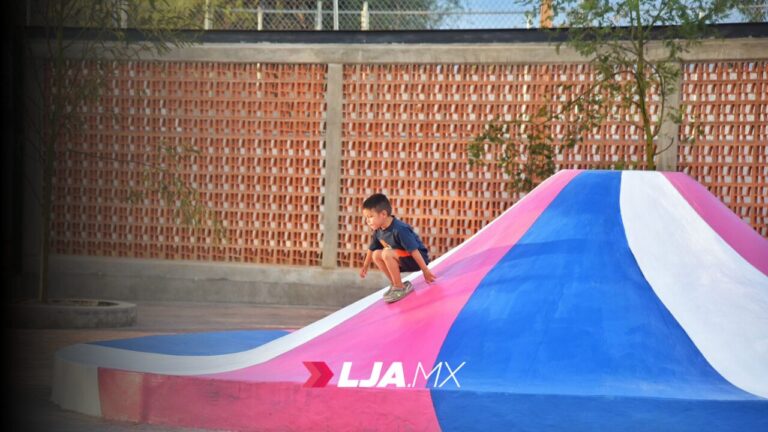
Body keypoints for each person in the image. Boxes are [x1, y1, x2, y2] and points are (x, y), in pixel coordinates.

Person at [358, 193, 437, 303]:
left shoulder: (400, 229)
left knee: (386, 253)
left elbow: (414, 250)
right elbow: (371, 249)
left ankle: (400, 287)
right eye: (366, 218)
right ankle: (395, 284)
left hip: (416, 259)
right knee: (376, 254)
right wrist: (365, 266)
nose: (367, 221)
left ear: (383, 214)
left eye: (370, 217)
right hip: (401, 259)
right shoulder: (378, 231)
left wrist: (425, 271)